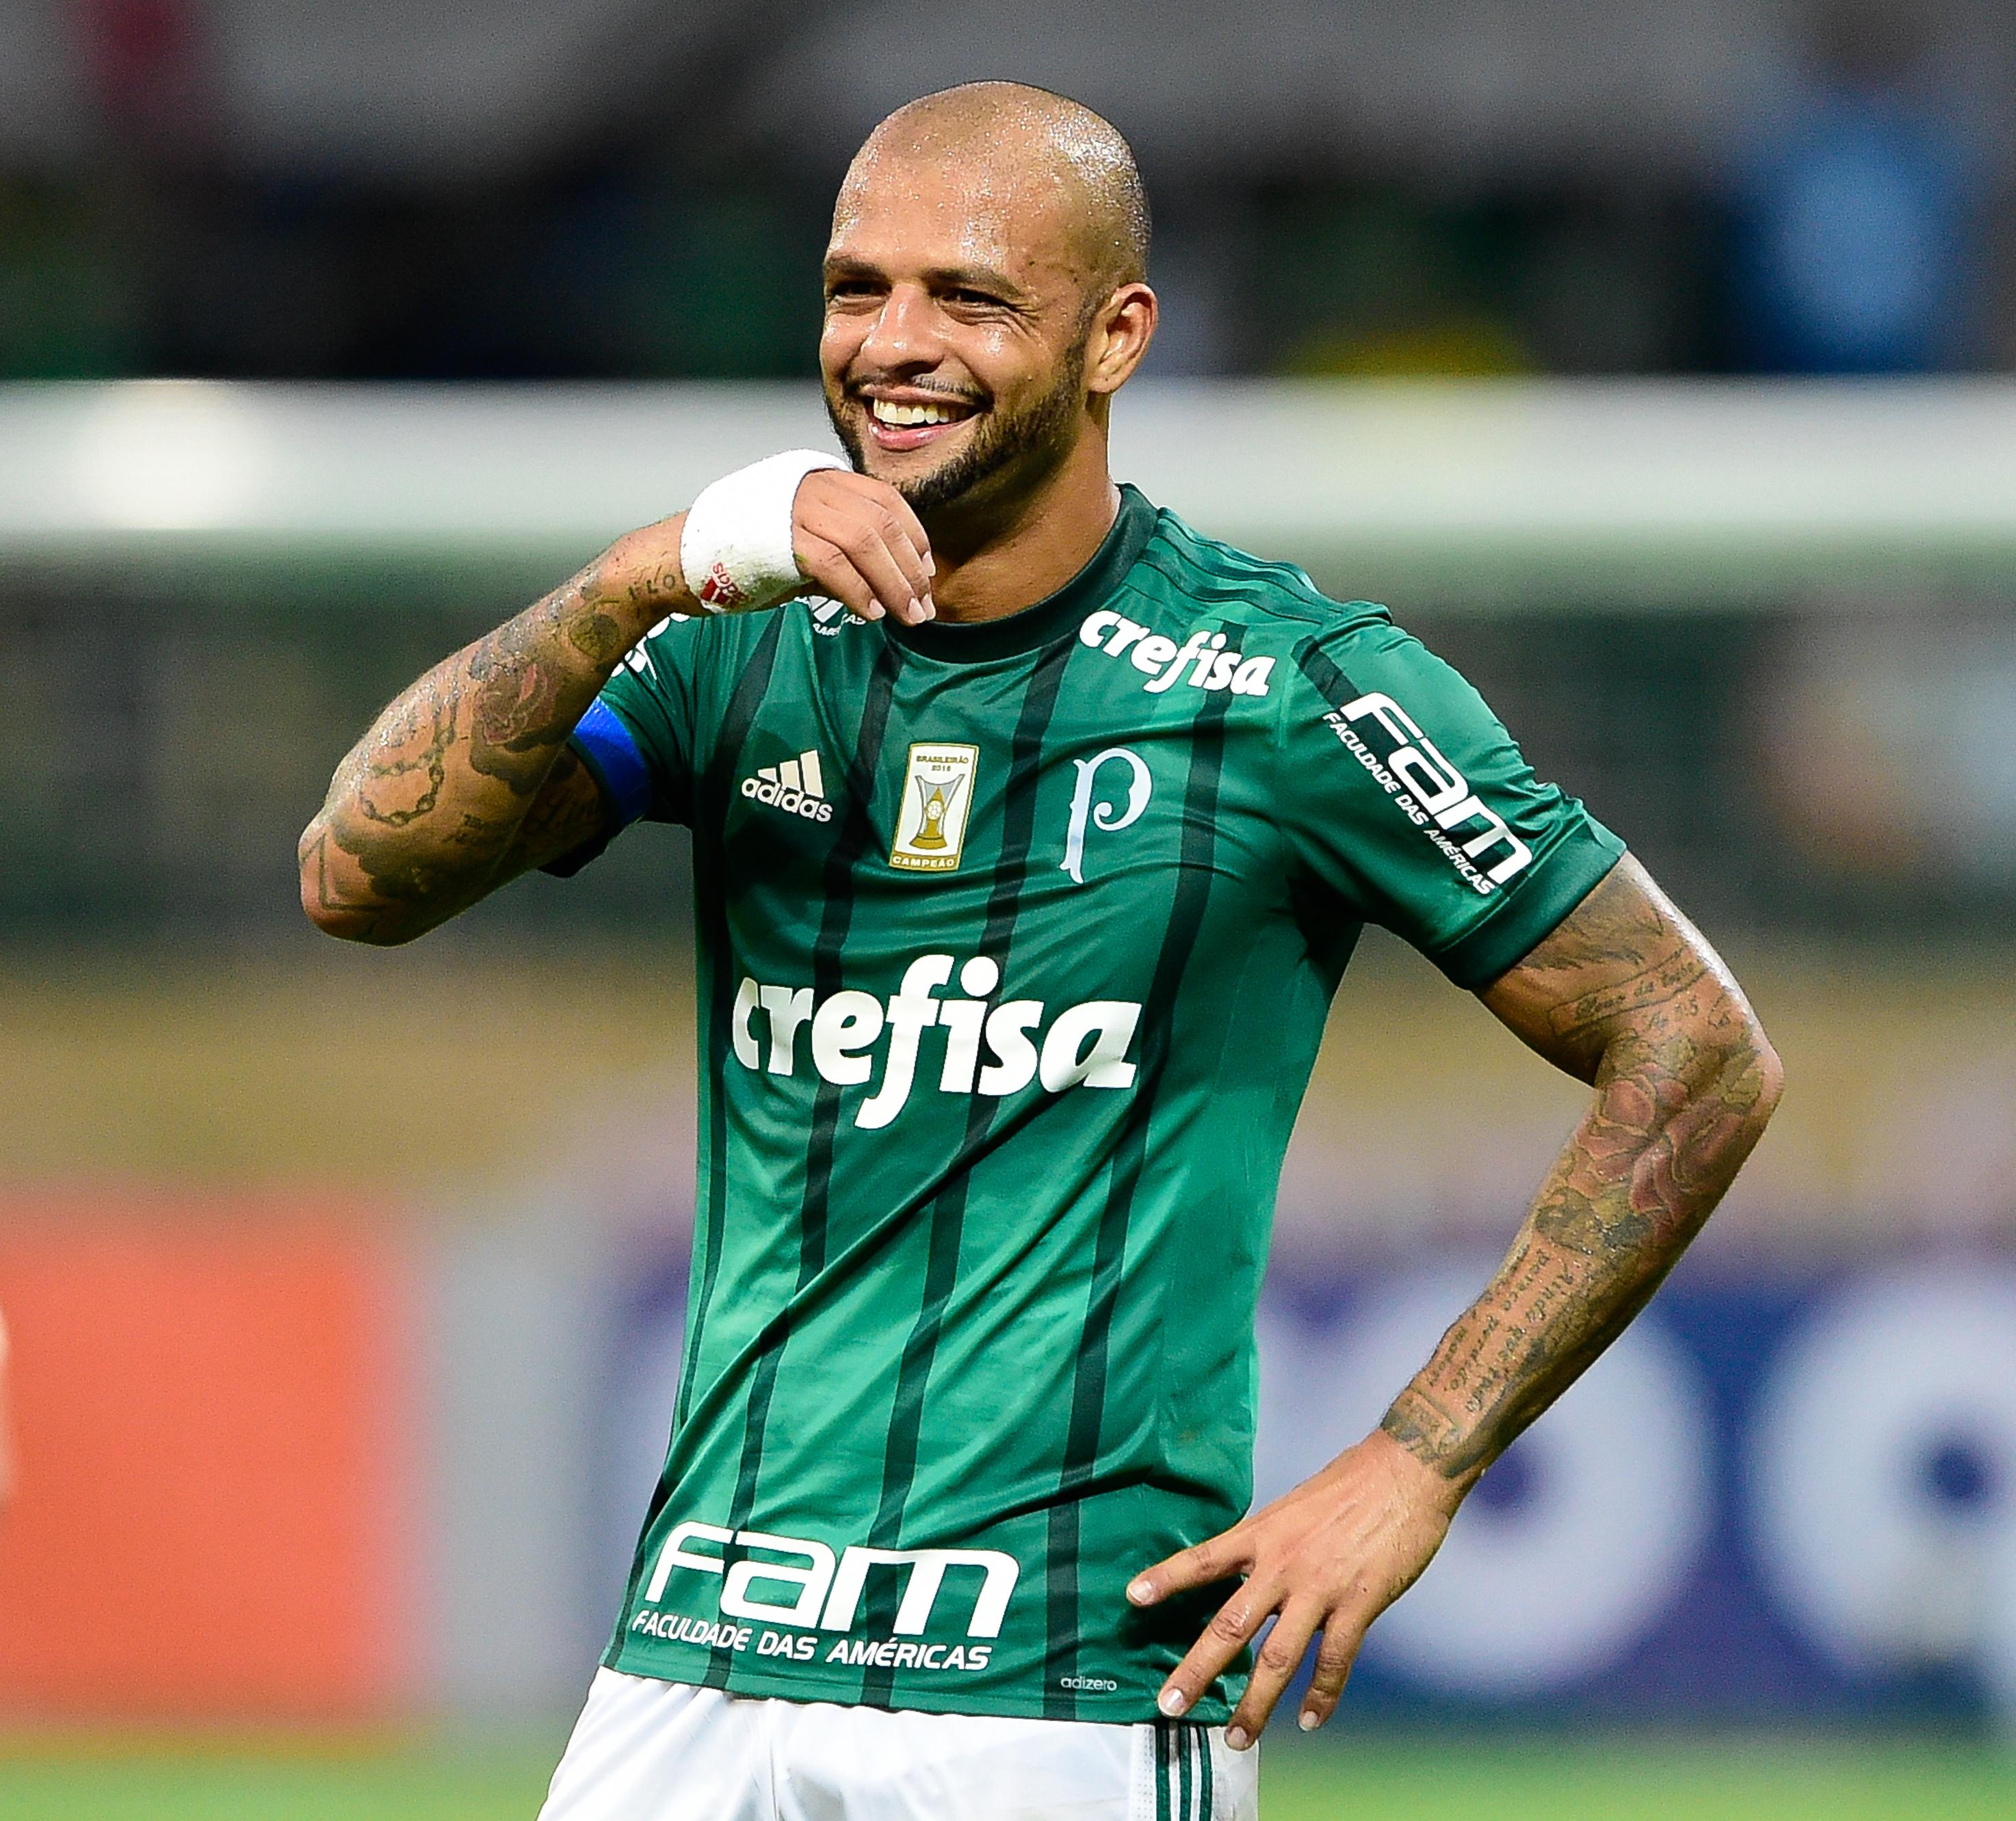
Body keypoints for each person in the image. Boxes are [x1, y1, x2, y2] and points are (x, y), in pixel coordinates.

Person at [300, 82, 1780, 1821]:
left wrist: (1419, 1454)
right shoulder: (735, 641)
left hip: (1055, 1693)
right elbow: (357, 874)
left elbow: (1690, 1042)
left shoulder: (1284, 686)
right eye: (857, 289)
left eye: (970, 297)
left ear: (1114, 338)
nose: (893, 344)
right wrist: (644, 574)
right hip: (694, 1657)